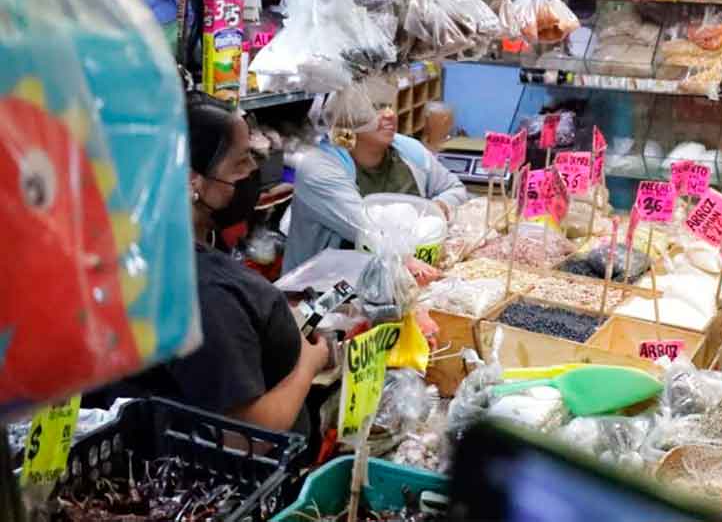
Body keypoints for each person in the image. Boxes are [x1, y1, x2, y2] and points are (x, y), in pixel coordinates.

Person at [87, 93, 332, 436]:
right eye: (241, 162)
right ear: (192, 180)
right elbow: (246, 437)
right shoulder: (203, 290)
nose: (253, 172)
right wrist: (308, 363)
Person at [284, 104, 471, 273]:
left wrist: (439, 207)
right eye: (375, 107)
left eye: (389, 105)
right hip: (324, 293)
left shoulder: (408, 149)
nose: (389, 114)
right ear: (345, 118)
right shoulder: (320, 166)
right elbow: (370, 234)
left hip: (400, 278)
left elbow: (455, 189)